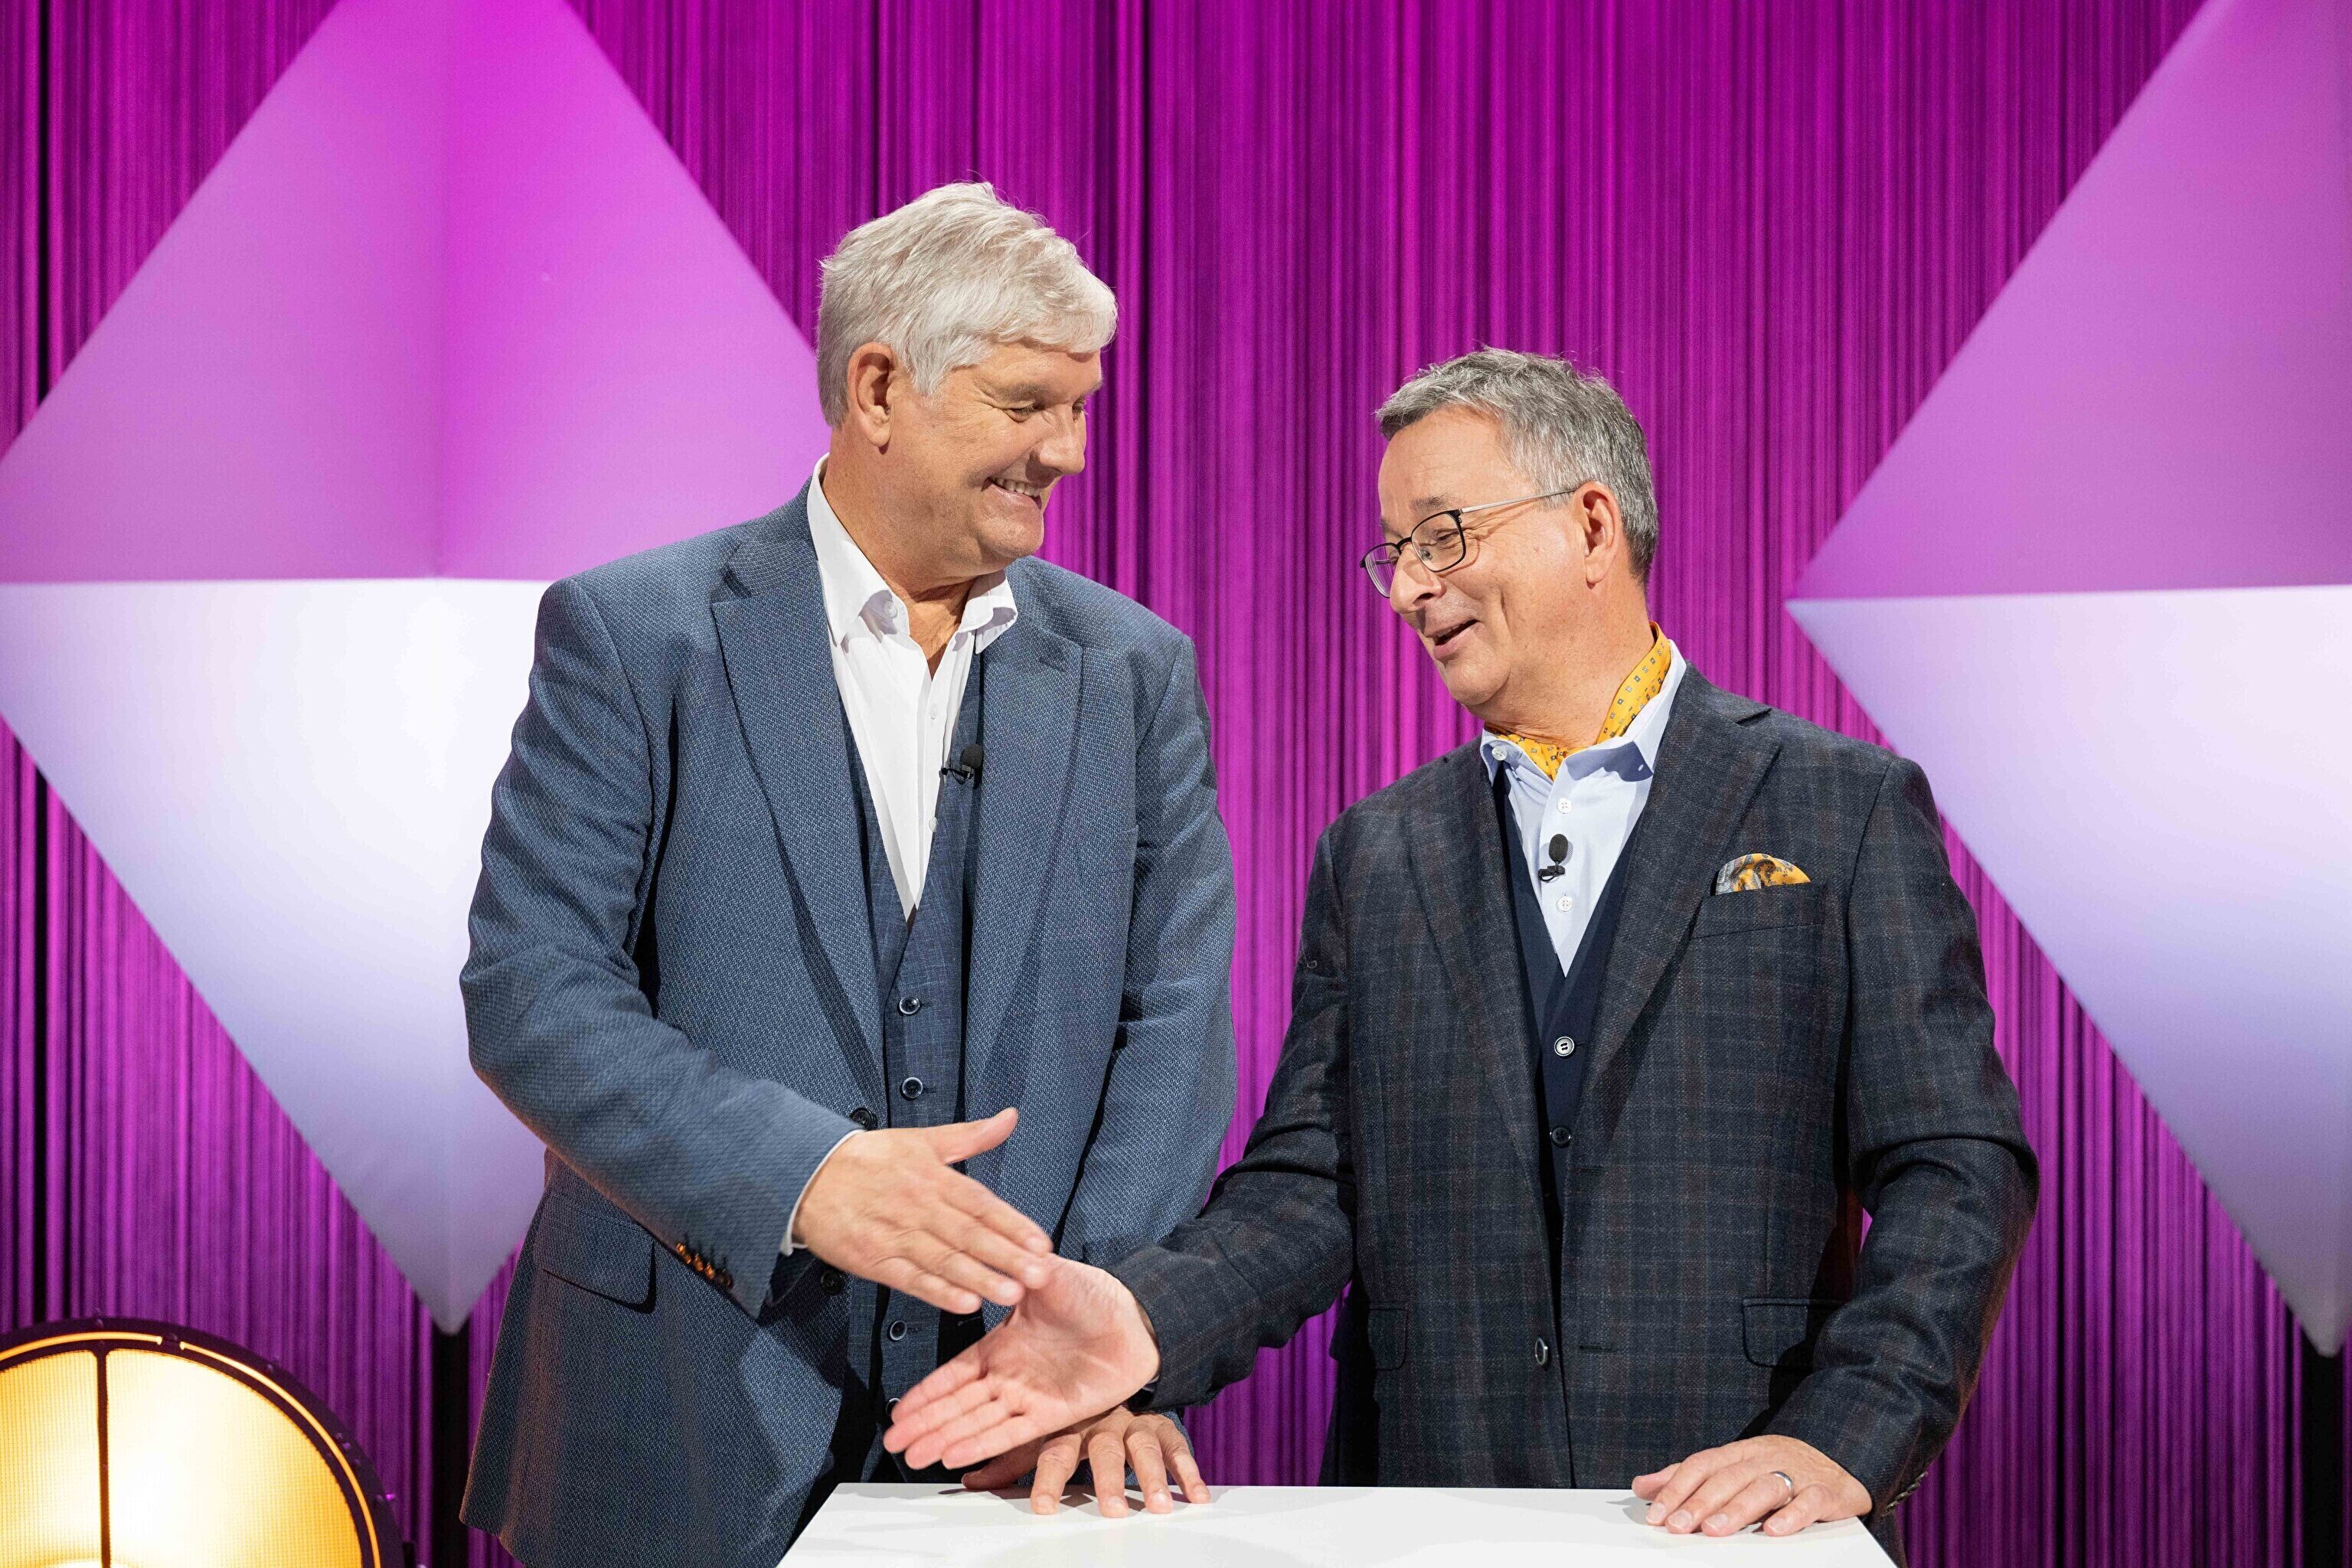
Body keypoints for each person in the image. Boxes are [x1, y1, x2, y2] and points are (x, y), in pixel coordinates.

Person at [884, 348, 2037, 1564]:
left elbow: (1958, 1165)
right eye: (1395, 553)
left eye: (1444, 536)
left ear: (1591, 526)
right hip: (1430, 1500)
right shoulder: (1375, 852)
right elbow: (1312, 1186)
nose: (1409, 589)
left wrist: (1848, 1434)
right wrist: (1139, 1322)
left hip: (1738, 1516)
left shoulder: (1838, 807)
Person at [459, 184, 1236, 1567]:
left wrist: (1094, 1314)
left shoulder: (1135, 671)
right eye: (1025, 405)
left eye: (1079, 408)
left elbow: (1173, 1024)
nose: (1065, 451)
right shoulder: (635, 636)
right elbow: (534, 997)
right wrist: (803, 1178)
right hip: (675, 1417)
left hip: (1013, 1428)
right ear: (878, 388)